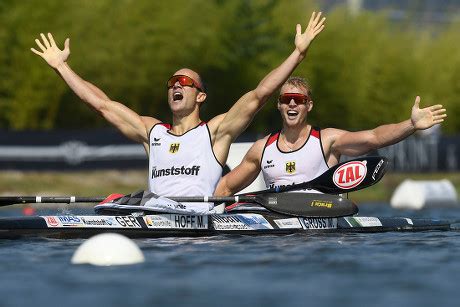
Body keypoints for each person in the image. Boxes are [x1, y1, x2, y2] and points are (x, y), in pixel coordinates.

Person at [31, 12, 326, 213]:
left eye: (184, 82)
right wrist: (62, 67)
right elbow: (101, 104)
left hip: (198, 224)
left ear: (200, 95)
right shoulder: (152, 132)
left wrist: (298, 54)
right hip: (154, 216)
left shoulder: (215, 132)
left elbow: (260, 94)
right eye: (172, 82)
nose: (176, 85)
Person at [214, 76, 447, 196]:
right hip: (275, 232)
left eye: (299, 100)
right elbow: (225, 187)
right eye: (286, 99)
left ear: (309, 106)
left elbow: (374, 138)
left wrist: (411, 124)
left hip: (321, 231)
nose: (292, 103)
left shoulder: (327, 140)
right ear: (279, 105)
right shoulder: (261, 148)